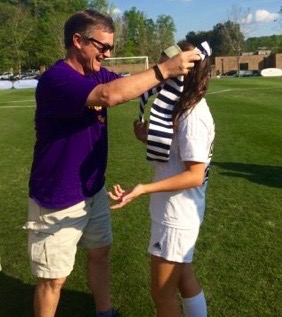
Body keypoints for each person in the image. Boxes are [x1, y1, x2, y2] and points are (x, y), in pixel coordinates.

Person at [23, 9, 201, 317]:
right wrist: (163, 69)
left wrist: (173, 60)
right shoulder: (58, 79)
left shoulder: (96, 72)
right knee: (53, 279)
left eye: (110, 47)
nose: (107, 54)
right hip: (58, 196)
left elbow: (128, 85)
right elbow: (108, 95)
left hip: (93, 189)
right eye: (102, 47)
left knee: (100, 254)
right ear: (77, 41)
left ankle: (104, 312)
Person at [109, 40, 215, 317]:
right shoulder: (185, 107)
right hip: (175, 213)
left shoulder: (192, 115)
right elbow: (180, 157)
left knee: (162, 293)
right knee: (184, 278)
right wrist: (148, 138)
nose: (164, 71)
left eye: (170, 66)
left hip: (176, 217)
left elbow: (193, 175)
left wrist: (143, 188)